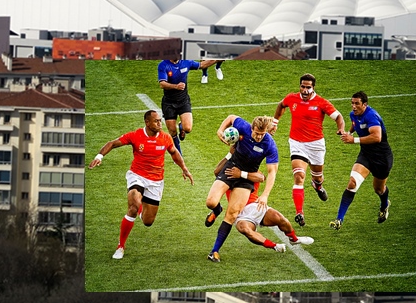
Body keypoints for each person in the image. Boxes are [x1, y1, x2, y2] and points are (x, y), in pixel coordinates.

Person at [89, 110, 194, 259]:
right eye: (156, 121)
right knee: (133, 206)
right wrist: (99, 156)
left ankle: (140, 210)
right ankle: (121, 246)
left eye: (160, 120)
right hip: (137, 176)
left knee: (148, 222)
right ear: (147, 122)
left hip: (156, 182)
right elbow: (112, 143)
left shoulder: (165, 138)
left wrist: (184, 168)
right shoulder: (136, 136)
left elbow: (174, 153)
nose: (159, 123)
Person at [204, 115, 279, 262]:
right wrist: (220, 131)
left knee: (232, 215)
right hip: (231, 168)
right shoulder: (243, 126)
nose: (258, 137)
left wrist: (265, 195)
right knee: (211, 202)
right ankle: (216, 209)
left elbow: (272, 172)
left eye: (262, 134)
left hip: (246, 179)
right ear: (251, 128)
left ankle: (214, 251)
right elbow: (231, 118)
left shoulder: (269, 144)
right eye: (256, 133)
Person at [272, 73, 344, 226]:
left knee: (317, 176)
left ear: (313, 88)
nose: (305, 90)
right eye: (302, 86)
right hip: (297, 143)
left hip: (316, 145)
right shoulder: (292, 98)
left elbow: (338, 117)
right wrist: (275, 121)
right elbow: (281, 105)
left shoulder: (321, 102)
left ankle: (317, 185)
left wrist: (341, 129)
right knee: (299, 176)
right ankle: (300, 212)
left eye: (308, 87)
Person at [209, 154, 315, 252]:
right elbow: (216, 172)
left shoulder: (251, 169)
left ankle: (294, 239)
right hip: (239, 211)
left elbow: (261, 177)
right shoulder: (229, 170)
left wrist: (241, 174)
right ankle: (274, 246)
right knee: (246, 230)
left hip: (256, 205)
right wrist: (229, 154)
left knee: (280, 218)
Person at [330, 91, 393, 230]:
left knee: (379, 189)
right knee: (352, 183)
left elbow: (377, 137)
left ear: (365, 104)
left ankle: (384, 205)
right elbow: (355, 123)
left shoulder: (371, 116)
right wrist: (349, 132)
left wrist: (354, 140)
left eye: (357, 103)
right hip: (365, 155)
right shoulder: (354, 114)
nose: (353, 106)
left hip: (382, 158)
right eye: (352, 103)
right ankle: (339, 219)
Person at [158, 48, 222, 151]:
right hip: (169, 103)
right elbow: (162, 84)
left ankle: (182, 127)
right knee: (172, 132)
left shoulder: (186, 62)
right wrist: (176, 86)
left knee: (188, 128)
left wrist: (216, 59)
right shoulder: (163, 65)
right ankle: (178, 154)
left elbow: (202, 65)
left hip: (183, 101)